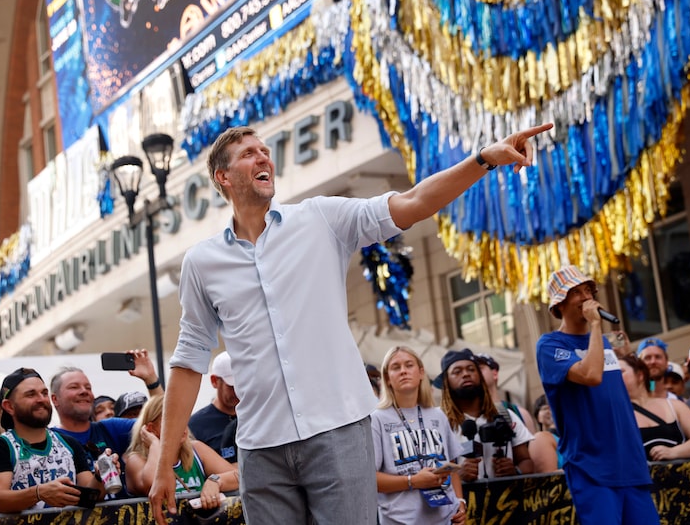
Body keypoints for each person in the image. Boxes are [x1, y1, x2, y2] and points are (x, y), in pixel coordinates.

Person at [149, 122, 553, 525]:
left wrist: (483, 160)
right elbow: (188, 363)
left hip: (338, 431)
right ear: (224, 177)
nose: (263, 157)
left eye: (265, 150)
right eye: (248, 154)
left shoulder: (320, 218)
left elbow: (412, 202)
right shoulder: (201, 263)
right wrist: (166, 463)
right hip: (260, 447)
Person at [536, 265, 659, 525]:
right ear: (559, 304)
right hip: (592, 468)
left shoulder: (603, 343)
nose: (587, 297)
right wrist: (595, 326)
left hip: (631, 464)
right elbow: (591, 375)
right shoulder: (549, 345)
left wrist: (625, 352)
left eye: (589, 290)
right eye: (577, 292)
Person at [0, 368, 114, 512]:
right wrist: (39, 493)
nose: (41, 399)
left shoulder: (68, 443)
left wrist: (101, 477)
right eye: (31, 394)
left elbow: (91, 495)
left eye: (44, 393)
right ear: (9, 406)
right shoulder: (0, 447)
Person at [371, 346, 465, 525]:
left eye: (409, 365)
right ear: (388, 378)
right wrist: (413, 481)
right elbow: (371, 479)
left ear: (421, 372)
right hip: (400, 521)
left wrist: (460, 502)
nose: (404, 371)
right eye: (396, 367)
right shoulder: (377, 420)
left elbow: (452, 467)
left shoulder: (438, 415)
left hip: (446, 519)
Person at [50, 350, 161, 498]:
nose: (84, 391)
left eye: (88, 387)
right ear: (55, 399)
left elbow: (162, 422)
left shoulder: (111, 428)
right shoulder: (49, 440)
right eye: (74, 387)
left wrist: (151, 379)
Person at [124, 394, 239, 512]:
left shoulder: (196, 449)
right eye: (172, 420)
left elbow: (240, 477)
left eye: (183, 418)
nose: (181, 425)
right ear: (151, 429)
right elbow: (153, 485)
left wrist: (216, 481)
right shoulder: (136, 460)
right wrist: (154, 445)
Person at [434, 349, 534, 480]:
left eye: (471, 369)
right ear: (446, 382)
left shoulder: (505, 415)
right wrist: (457, 474)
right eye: (457, 372)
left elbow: (527, 462)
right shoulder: (437, 420)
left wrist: (516, 471)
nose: (465, 374)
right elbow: (432, 469)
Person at [618, 354, 690, 460]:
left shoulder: (674, 405)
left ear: (640, 375)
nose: (613, 377)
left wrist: (674, 452)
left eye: (620, 372)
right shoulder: (615, 414)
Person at [188, 352, 238, 454]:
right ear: (214, 381)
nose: (238, 392)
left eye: (242, 385)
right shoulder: (195, 425)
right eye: (232, 386)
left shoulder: (254, 417)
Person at [474, 353, 536, 433]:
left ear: (495, 373)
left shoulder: (519, 413)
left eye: (479, 369)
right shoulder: (468, 415)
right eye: (473, 370)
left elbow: (532, 444)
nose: (475, 374)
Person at [530, 394, 563, 473]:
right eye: (545, 408)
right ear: (538, 417)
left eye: (553, 406)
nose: (550, 411)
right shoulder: (540, 438)